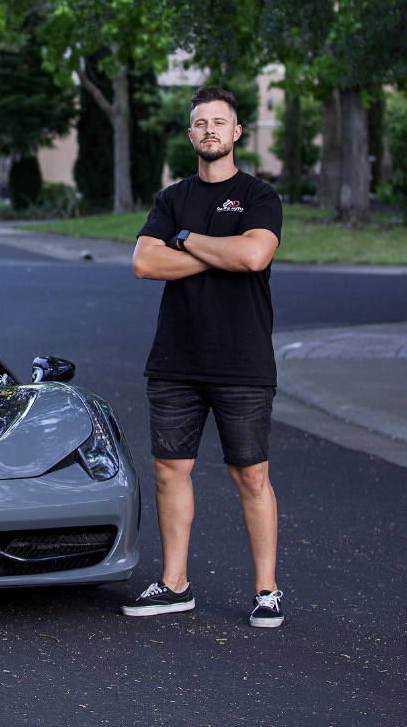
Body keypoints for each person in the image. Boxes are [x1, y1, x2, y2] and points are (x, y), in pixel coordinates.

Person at [121, 85, 285, 628]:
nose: (209, 130)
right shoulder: (172, 198)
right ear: (190, 133)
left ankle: (267, 591)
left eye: (219, 122)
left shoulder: (259, 196)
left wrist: (186, 240)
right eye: (200, 123)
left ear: (236, 132)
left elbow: (255, 254)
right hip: (176, 359)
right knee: (171, 470)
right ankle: (175, 584)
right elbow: (145, 263)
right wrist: (221, 251)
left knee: (252, 476)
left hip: (242, 360)